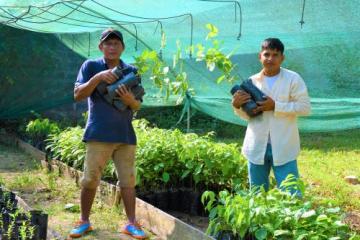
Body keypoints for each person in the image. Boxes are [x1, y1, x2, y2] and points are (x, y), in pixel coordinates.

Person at [71, 28, 146, 239]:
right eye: (108, 43)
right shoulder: (91, 66)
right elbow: (78, 94)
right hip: (98, 134)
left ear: (122, 47)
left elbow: (137, 105)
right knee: (90, 179)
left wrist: (131, 101)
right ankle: (84, 221)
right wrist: (98, 78)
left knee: (128, 181)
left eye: (116, 44)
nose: (112, 47)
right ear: (101, 47)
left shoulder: (131, 70)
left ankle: (131, 223)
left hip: (125, 136)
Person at [232, 38, 311, 194]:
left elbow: (305, 108)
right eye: (266, 54)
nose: (270, 59)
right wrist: (236, 105)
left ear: (282, 58)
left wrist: (276, 106)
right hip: (256, 145)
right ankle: (259, 219)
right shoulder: (251, 82)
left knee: (291, 194)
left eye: (275, 55)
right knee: (257, 194)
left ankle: (290, 219)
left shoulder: (293, 79)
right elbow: (247, 115)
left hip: (284, 145)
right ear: (259, 56)